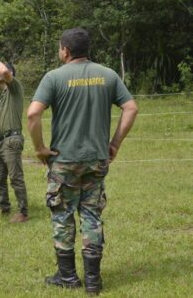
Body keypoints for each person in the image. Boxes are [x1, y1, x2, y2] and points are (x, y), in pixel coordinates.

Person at [27, 28, 138, 295]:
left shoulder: (54, 77)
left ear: (65, 50)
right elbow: (131, 107)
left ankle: (67, 278)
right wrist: (114, 144)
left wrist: (40, 148)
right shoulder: (109, 75)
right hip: (96, 160)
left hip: (64, 161)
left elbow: (33, 114)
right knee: (91, 215)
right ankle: (92, 282)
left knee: (63, 216)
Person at [0, 57, 28, 223]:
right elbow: (1, 121)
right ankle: (4, 208)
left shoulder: (15, 89)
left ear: (11, 74)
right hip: (0, 140)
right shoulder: (3, 96)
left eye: (0, 70)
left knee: (15, 177)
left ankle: (23, 212)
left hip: (12, 140)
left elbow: (3, 71)